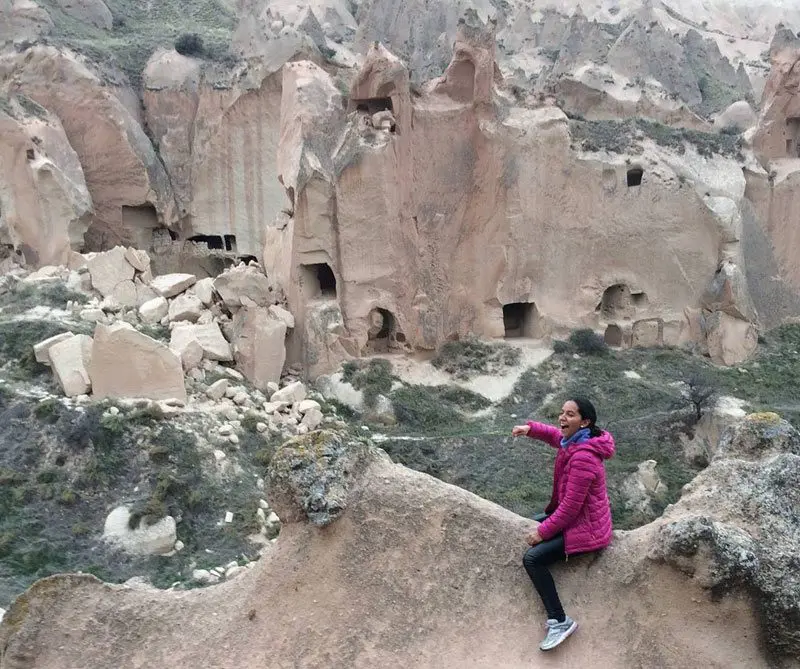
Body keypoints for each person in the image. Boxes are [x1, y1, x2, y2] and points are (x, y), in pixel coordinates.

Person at [511, 397, 615, 651]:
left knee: (533, 559)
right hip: (578, 518)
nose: (562, 418)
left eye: (570, 414)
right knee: (531, 521)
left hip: (587, 528)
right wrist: (530, 429)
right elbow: (555, 436)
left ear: (584, 422)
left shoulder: (584, 457)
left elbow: (570, 509)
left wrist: (543, 532)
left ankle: (560, 621)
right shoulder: (577, 441)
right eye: (562, 413)